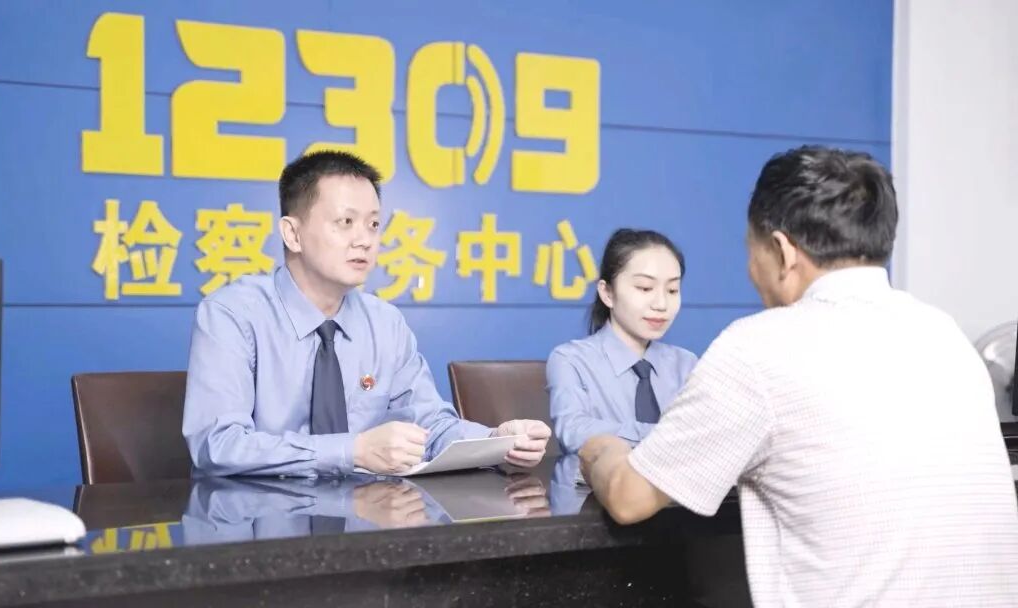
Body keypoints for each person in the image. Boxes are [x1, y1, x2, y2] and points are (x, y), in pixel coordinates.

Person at [581, 146, 1018, 606]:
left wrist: (600, 448)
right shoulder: (942, 333)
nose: (750, 268)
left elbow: (629, 498)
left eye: (751, 249)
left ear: (782, 251)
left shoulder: (759, 347)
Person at [183, 150, 550, 477]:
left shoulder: (385, 323)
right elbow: (218, 445)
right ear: (292, 234)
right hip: (255, 520)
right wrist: (352, 450)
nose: (365, 240)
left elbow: (430, 426)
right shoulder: (231, 315)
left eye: (373, 224)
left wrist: (495, 441)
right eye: (346, 222)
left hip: (366, 515)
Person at [548, 229, 696, 454]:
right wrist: (668, 436)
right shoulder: (572, 360)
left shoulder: (686, 364)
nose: (661, 304)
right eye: (645, 288)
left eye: (672, 290)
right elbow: (574, 431)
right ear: (607, 293)